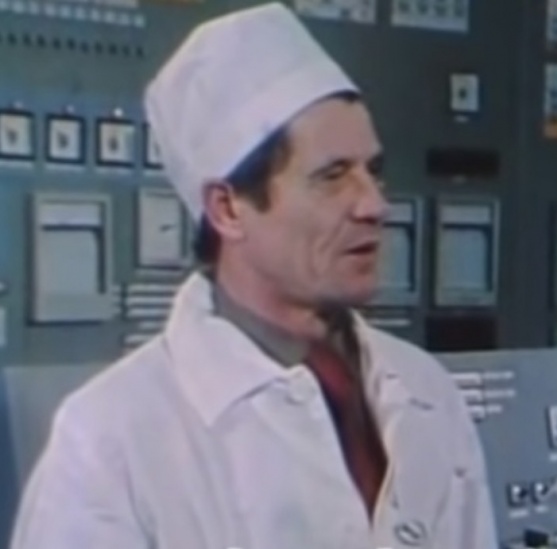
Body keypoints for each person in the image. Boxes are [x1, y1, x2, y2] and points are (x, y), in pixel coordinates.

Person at [10, 3, 498, 549]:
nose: (374, 205)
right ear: (227, 209)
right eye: (333, 176)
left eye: (373, 171)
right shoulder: (110, 441)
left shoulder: (425, 390)